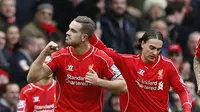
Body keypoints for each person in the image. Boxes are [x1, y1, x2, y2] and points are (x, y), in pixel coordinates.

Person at [27, 16, 127, 112]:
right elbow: (32, 78)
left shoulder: (102, 58)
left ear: (84, 37)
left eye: (73, 31)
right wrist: (44, 52)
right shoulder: (60, 56)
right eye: (69, 29)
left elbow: (124, 86)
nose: (67, 33)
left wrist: (98, 81)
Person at [89, 29, 192, 112]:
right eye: (151, 48)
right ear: (143, 43)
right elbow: (105, 50)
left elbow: (182, 90)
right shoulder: (128, 62)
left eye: (158, 49)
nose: (155, 53)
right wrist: (88, 32)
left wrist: (187, 109)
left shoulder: (168, 65)